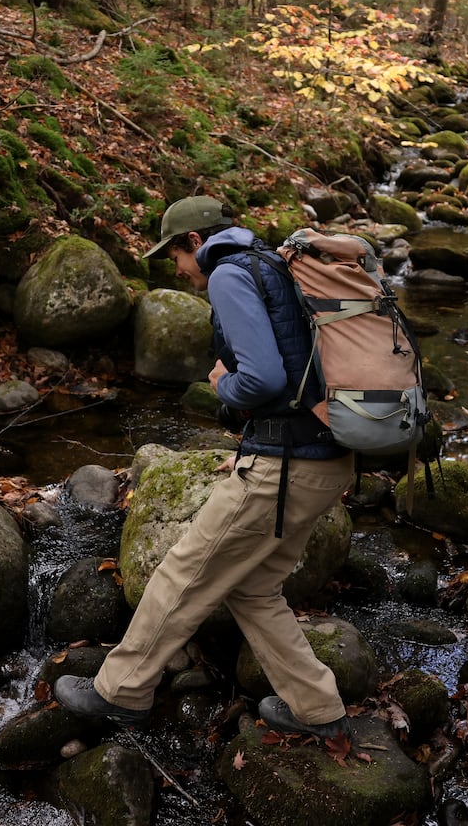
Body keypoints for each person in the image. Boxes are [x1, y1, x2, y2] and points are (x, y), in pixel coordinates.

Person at [53, 195, 355, 741]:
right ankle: (318, 709)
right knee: (254, 588)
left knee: (182, 571)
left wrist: (221, 385)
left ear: (196, 242)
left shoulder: (230, 275)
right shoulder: (271, 263)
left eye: (174, 256)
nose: (178, 270)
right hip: (327, 460)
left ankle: (120, 691)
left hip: (284, 469)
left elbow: (262, 379)